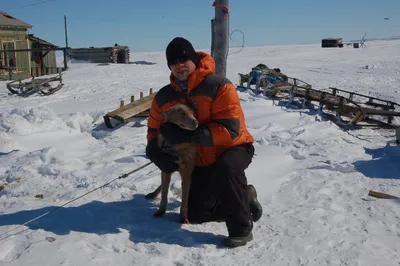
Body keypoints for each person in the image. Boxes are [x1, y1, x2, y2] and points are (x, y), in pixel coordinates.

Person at [145, 37, 262, 248]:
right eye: (174, 62)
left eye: (184, 59)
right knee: (196, 213)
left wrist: (189, 136)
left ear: (193, 59)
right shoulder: (164, 96)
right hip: (201, 157)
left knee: (226, 169)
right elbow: (154, 128)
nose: (179, 65)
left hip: (234, 147)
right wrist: (154, 151)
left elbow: (230, 129)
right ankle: (244, 195)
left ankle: (241, 228)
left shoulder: (218, 86)